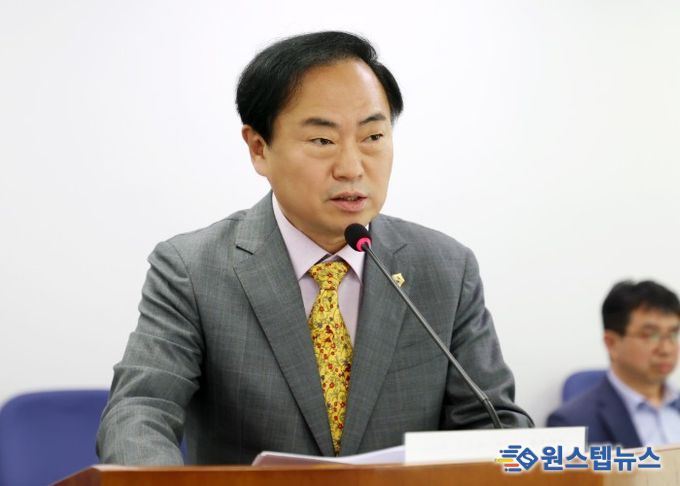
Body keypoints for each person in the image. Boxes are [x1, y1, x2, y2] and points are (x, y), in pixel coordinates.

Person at [96, 31, 532, 465]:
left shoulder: (445, 268)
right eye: (323, 141)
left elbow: (491, 423)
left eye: (373, 137)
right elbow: (140, 411)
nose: (351, 167)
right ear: (259, 149)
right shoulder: (192, 270)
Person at [547, 280, 680, 447]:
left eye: (673, 334)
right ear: (612, 343)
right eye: (650, 335)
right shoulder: (571, 423)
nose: (666, 349)